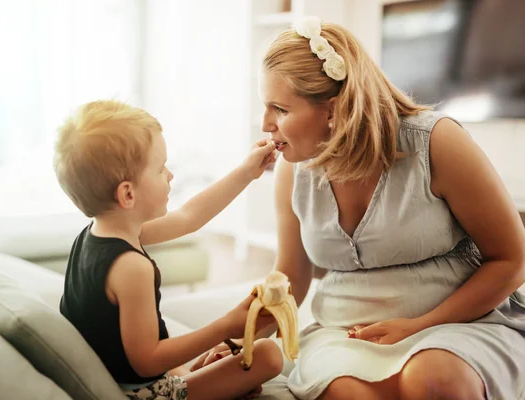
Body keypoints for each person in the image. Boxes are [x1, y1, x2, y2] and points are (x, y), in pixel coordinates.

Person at [194, 17, 525, 400]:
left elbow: (512, 258)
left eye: (279, 109)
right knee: (350, 393)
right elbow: (289, 279)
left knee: (435, 380)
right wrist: (241, 339)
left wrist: (419, 324)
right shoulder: (293, 170)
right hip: (344, 334)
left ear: (333, 110)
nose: (266, 124)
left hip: (460, 324)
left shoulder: (436, 142)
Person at [53, 100, 284, 400]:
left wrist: (246, 172)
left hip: (125, 376)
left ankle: (200, 373)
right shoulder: (131, 268)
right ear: (127, 193)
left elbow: (190, 217)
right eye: (161, 169)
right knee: (268, 355)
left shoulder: (97, 235)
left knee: (232, 361)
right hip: (141, 393)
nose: (171, 175)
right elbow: (148, 360)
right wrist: (227, 325)